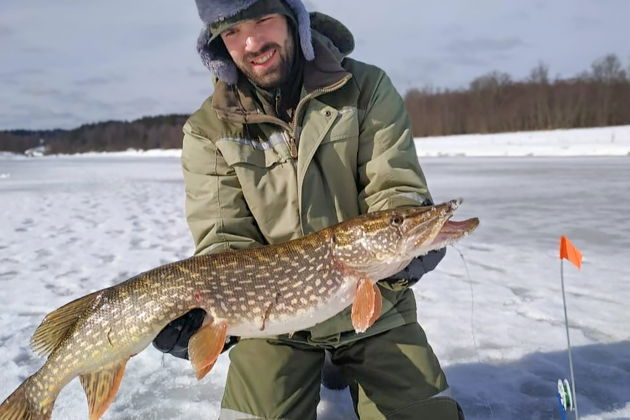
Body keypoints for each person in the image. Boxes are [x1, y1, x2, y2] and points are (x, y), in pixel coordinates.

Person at [154, 1, 464, 418]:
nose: (251, 43)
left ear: (292, 19)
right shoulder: (208, 129)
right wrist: (204, 323)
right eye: (232, 32)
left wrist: (408, 232)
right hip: (273, 326)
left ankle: (341, 361)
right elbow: (224, 241)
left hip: (380, 309)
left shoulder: (365, 87)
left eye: (263, 20)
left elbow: (394, 189)